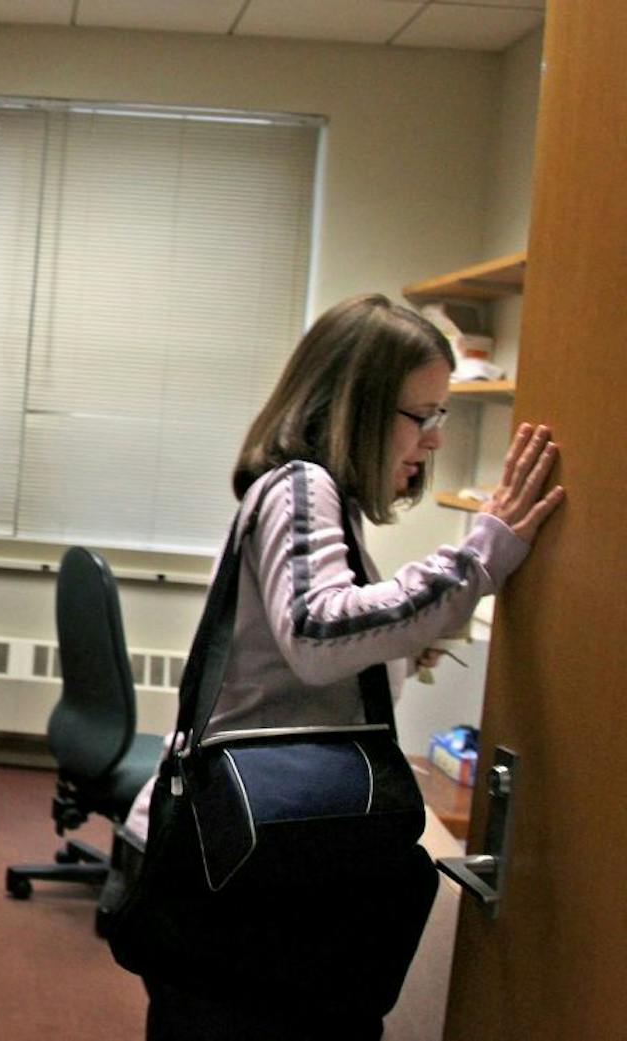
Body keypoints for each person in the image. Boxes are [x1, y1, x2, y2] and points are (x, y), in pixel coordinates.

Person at [123, 293, 565, 1039]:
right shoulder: (302, 484)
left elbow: (301, 650)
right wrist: (481, 555)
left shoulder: (317, 498)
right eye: (419, 414)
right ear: (356, 403)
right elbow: (319, 631)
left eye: (441, 416)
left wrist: (407, 640)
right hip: (242, 851)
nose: (431, 439)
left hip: (255, 842)